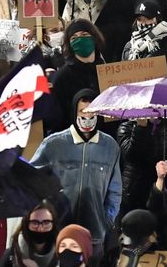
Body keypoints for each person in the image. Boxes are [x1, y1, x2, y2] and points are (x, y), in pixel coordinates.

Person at [31, 90, 122, 255]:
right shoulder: (53, 144)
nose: (87, 118)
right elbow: (33, 180)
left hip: (94, 237)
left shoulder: (110, 147)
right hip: (59, 235)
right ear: (74, 112)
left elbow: (115, 191)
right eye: (82, 112)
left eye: (92, 112)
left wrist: (106, 221)